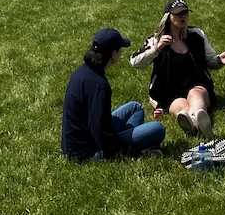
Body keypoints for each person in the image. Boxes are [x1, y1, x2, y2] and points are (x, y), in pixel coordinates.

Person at [129, 0, 225, 141]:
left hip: (197, 85)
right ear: (168, 17)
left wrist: (219, 60)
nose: (183, 17)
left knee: (196, 95)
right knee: (182, 108)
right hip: (170, 92)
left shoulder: (197, 35)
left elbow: (210, 60)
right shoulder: (157, 40)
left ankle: (195, 123)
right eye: (178, 14)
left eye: (185, 13)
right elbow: (135, 62)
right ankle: (199, 125)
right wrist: (157, 48)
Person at [62, 28, 165, 161]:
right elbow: (100, 130)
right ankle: (133, 150)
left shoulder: (83, 71)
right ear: (114, 54)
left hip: (76, 142)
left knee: (135, 108)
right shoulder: (99, 85)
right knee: (158, 129)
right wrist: (126, 152)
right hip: (87, 151)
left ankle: (130, 142)